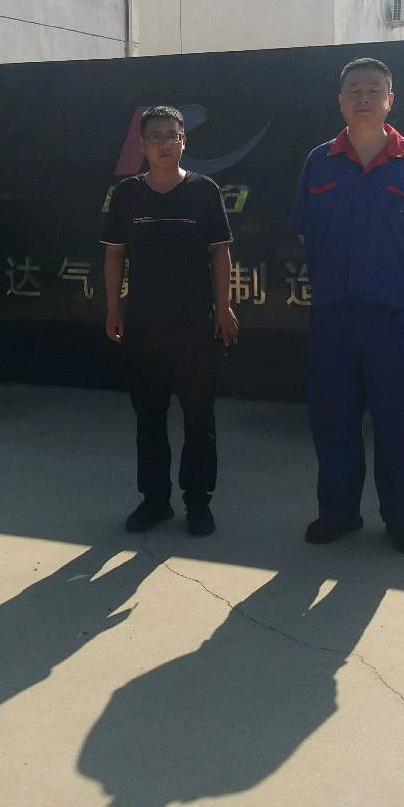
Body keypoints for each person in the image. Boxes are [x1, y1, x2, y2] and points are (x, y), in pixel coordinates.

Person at [289, 57, 404, 554]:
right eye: (354, 89)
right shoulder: (320, 160)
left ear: (390, 100)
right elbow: (305, 229)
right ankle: (338, 513)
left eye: (373, 89)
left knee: (399, 420)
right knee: (333, 418)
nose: (363, 96)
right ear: (340, 101)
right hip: (334, 312)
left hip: (395, 313)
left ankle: (402, 518)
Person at [102, 105, 240, 536]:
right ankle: (155, 500)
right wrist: (113, 308)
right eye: (156, 137)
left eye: (172, 136)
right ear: (142, 144)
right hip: (143, 324)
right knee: (150, 418)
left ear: (185, 141)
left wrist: (223, 307)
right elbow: (114, 255)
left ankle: (198, 502)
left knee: (199, 419)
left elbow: (220, 253)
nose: (165, 144)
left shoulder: (204, 190)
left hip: (196, 324)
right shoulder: (127, 194)